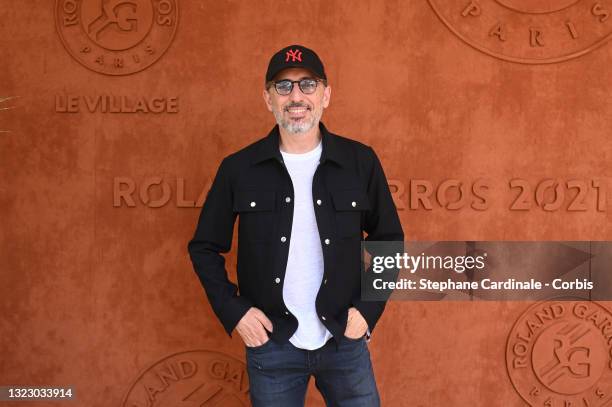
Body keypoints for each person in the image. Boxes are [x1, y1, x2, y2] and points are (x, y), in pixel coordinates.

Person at [187, 44, 404, 407]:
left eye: (307, 84)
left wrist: (368, 310)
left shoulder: (360, 161)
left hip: (342, 339)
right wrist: (235, 311)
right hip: (272, 345)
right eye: (283, 86)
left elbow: (389, 239)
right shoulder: (238, 168)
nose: (296, 96)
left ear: (326, 94)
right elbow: (204, 247)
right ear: (267, 98)